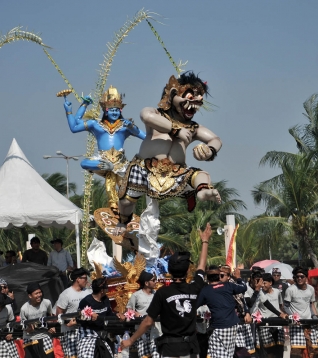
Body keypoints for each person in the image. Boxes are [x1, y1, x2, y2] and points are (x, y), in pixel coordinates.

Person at [117, 72, 222, 232]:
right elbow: (145, 115)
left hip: (175, 173)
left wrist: (209, 150)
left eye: (198, 98)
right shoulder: (158, 114)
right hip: (145, 168)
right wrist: (174, 130)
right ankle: (123, 221)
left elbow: (216, 139)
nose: (193, 102)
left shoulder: (193, 128)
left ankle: (203, 191)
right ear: (172, 95)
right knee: (126, 202)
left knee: (199, 174)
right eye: (188, 96)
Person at [121, 222, 211, 357]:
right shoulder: (194, 287)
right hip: (191, 349)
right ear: (187, 270)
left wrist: (131, 340)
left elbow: (148, 321)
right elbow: (201, 268)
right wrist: (205, 241)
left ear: (169, 271)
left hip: (170, 349)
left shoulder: (163, 292)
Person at [61, 86, 145, 214]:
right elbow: (74, 126)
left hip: (121, 163)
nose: (114, 112)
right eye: (111, 110)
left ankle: (124, 209)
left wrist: (133, 128)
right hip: (104, 162)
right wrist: (77, 107)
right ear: (105, 110)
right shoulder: (96, 124)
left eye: (117, 110)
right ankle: (113, 204)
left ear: (121, 110)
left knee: (125, 190)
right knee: (85, 163)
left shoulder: (125, 125)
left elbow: (144, 136)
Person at [196, 265, 247, 358]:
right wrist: (239, 277)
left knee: (218, 355)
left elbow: (194, 306)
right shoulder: (228, 286)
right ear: (219, 276)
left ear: (207, 277)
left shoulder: (205, 291)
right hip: (233, 325)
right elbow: (244, 287)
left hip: (219, 327)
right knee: (228, 354)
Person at [77, 278, 125, 358]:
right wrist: (90, 315)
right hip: (89, 336)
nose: (108, 289)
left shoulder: (105, 299)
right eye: (106, 287)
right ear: (102, 290)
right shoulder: (86, 301)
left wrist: (117, 315)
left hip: (104, 335)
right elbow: (79, 318)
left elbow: (109, 314)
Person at [283, 267, 318, 358]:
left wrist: (315, 318)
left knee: (312, 350)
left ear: (306, 278)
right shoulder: (290, 290)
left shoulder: (311, 289)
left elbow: (311, 305)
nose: (299, 278)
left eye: (302, 276)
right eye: (297, 277)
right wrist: (293, 317)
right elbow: (285, 306)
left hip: (309, 323)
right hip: (297, 325)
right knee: (297, 351)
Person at [218, 264, 255, 356]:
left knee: (241, 349)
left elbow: (242, 299)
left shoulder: (232, 284)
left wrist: (247, 312)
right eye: (219, 274)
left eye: (222, 275)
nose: (220, 277)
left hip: (238, 319)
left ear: (228, 276)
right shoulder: (216, 285)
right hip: (223, 321)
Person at [56, 267, 91, 358]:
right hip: (70, 332)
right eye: (85, 278)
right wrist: (67, 324)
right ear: (78, 279)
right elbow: (59, 313)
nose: (86, 281)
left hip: (85, 330)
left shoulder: (88, 292)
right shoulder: (66, 294)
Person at [255, 273, 289, 358]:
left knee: (279, 349)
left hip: (278, 323)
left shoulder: (277, 292)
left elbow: (281, 306)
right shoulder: (260, 294)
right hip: (265, 325)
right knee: (269, 351)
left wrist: (284, 314)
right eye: (261, 283)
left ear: (270, 283)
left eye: (264, 283)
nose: (262, 285)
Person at [126, 271, 159, 358]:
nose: (156, 282)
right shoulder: (136, 295)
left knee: (156, 355)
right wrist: (135, 313)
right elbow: (129, 310)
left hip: (155, 330)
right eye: (153, 280)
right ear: (146, 283)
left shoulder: (157, 295)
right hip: (142, 332)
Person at [20, 282, 56, 358]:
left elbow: (51, 316)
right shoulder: (24, 309)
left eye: (40, 292)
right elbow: (23, 326)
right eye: (36, 293)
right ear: (30, 296)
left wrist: (52, 326)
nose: (39, 295)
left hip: (45, 337)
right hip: (30, 339)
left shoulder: (47, 303)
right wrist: (28, 329)